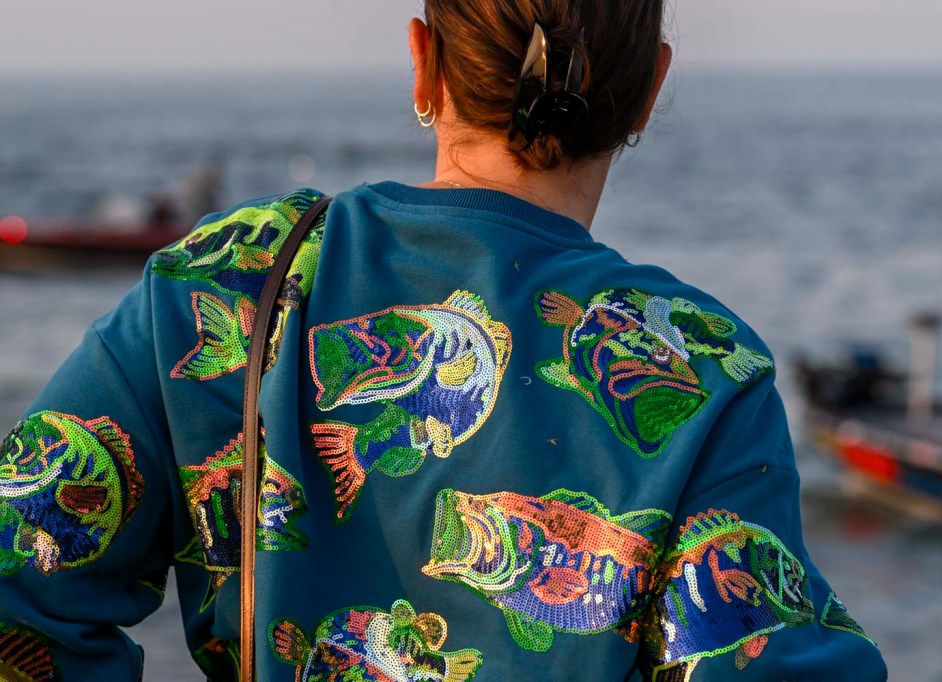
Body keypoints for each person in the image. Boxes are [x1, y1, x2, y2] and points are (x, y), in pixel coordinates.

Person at [0, 1, 887, 680]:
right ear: (650, 91)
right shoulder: (703, 369)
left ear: (424, 64)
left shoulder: (228, 278)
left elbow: (19, 579)